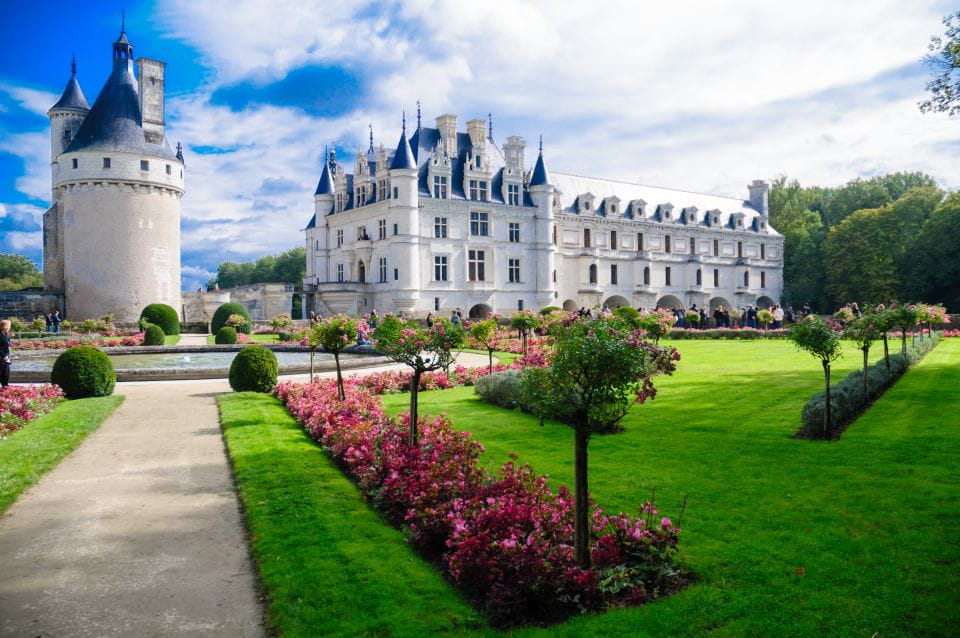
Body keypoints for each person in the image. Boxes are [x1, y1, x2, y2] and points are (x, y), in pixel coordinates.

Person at [0, 319, 12, 387]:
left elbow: (7, 343)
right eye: (9, 326)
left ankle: (5, 386)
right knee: (4, 372)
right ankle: (4, 386)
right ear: (5, 326)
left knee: (6, 372)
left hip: (6, 357)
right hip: (2, 357)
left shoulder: (5, 334)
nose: (9, 327)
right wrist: (4, 355)